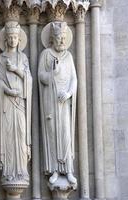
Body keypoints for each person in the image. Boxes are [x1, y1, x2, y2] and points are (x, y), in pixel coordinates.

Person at [38, 21, 77, 185]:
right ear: (52, 39)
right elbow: (41, 76)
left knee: (65, 134)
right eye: (59, 38)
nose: (62, 41)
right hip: (50, 101)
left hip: (64, 103)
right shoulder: (46, 54)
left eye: (64, 38)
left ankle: (67, 170)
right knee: (52, 134)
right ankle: (54, 169)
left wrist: (68, 93)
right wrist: (52, 73)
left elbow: (74, 79)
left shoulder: (68, 56)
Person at [0, 21, 32, 185]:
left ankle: (22, 171)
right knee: (9, 135)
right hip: (7, 102)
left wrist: (15, 70)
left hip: (20, 103)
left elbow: (29, 80)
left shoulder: (23, 58)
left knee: (21, 134)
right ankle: (9, 171)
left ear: (19, 40)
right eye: (10, 37)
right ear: (6, 39)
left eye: (15, 37)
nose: (12, 40)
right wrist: (7, 90)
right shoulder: (1, 58)